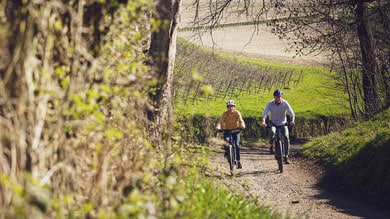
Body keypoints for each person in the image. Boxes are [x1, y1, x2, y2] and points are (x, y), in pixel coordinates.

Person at [261, 89, 295, 164]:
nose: (278, 98)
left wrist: (292, 120)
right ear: (274, 97)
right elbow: (264, 114)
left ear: (281, 97)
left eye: (279, 97)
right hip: (273, 122)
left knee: (286, 137)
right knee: (272, 132)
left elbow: (292, 113)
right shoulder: (270, 103)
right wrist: (263, 122)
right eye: (276, 97)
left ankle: (286, 156)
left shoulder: (285, 103)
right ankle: (271, 145)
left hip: (283, 123)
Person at [216, 100, 246, 169]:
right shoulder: (225, 114)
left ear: (234, 107)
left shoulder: (237, 113)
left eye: (232, 107)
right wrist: (218, 127)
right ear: (227, 108)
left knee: (237, 145)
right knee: (226, 141)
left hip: (236, 130)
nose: (231, 108)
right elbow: (220, 122)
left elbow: (241, 121)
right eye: (229, 107)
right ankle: (227, 152)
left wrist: (242, 125)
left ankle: (238, 161)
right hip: (227, 131)